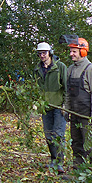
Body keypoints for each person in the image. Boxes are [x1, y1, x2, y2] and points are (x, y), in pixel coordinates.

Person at [65, 37, 92, 169]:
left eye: (74, 51)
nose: (71, 54)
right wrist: (66, 110)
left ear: (83, 52)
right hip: (74, 114)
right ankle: (77, 172)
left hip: (88, 116)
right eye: (71, 51)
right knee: (76, 143)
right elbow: (68, 94)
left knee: (91, 145)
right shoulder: (70, 70)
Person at [33, 41, 68, 173]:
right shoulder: (37, 69)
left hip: (59, 106)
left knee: (58, 134)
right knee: (48, 135)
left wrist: (65, 104)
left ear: (50, 53)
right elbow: (36, 88)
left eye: (44, 53)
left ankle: (60, 162)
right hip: (45, 107)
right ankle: (53, 160)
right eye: (40, 53)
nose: (42, 55)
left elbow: (66, 86)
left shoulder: (60, 67)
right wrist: (37, 103)